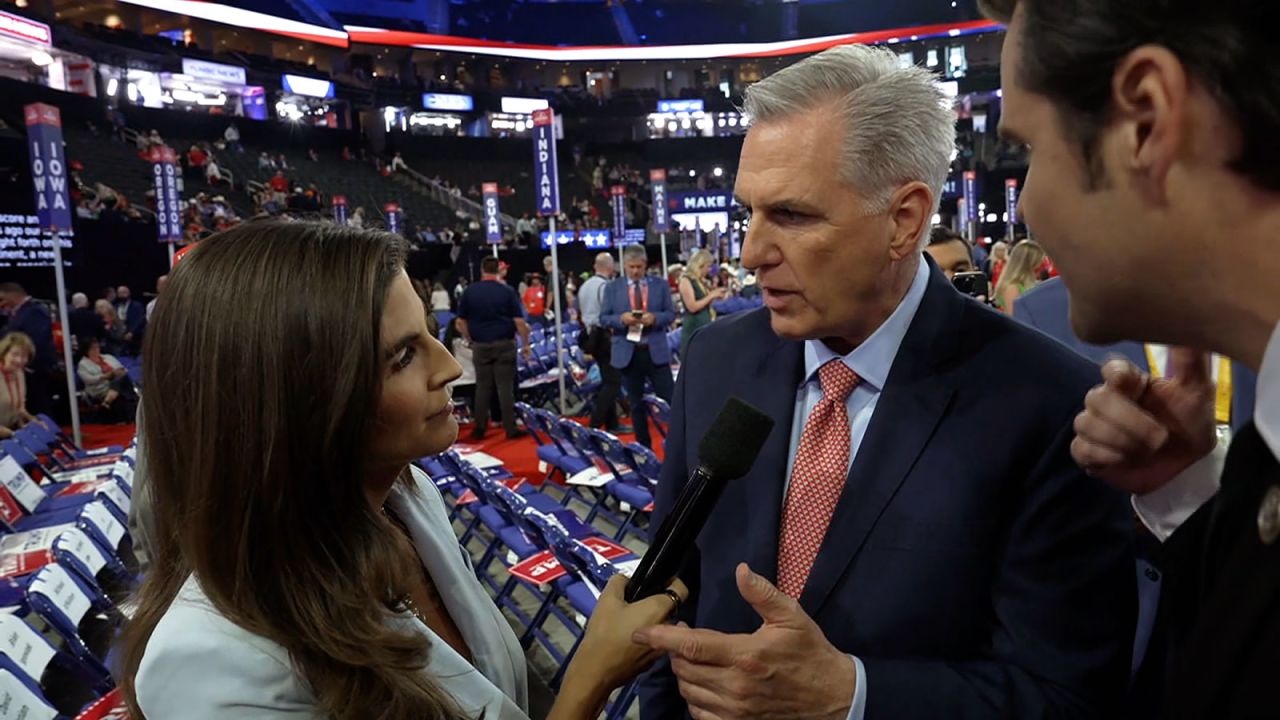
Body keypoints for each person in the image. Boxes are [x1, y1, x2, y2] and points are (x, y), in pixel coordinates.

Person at [635, 44, 1135, 720]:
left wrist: (850, 695)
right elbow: (671, 599)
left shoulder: (1048, 407)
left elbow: (1067, 696)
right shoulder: (716, 362)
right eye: (747, 212)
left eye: (791, 214)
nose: (751, 253)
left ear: (903, 220)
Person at [120, 220, 685, 720]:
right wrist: (589, 682)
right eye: (403, 356)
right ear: (301, 402)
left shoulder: (407, 498)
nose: (445, 367)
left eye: (430, 336)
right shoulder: (210, 662)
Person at [983, 0, 1280, 715]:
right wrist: (1192, 494)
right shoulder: (1254, 465)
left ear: (1145, 120)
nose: (1028, 208)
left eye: (1029, 148)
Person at [600, 244, 675, 449]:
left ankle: (677, 445)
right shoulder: (612, 287)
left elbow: (671, 314)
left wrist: (655, 318)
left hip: (655, 351)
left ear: (645, 265)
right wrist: (621, 319)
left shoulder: (660, 285)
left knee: (670, 402)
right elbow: (604, 318)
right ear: (624, 265)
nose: (635, 271)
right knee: (635, 405)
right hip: (628, 352)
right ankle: (644, 449)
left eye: (638, 267)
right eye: (631, 267)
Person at [457, 256, 531, 441]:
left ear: (482, 269)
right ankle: (510, 427)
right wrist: (526, 344)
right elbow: (519, 322)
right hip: (504, 344)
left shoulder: (470, 292)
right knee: (505, 388)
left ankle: (480, 428)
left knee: (482, 387)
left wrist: (470, 338)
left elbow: (460, 321)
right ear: (498, 269)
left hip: (481, 345)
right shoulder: (506, 292)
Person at [578, 253, 626, 433]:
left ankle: (612, 423)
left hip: (590, 335)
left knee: (608, 380)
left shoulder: (585, 286)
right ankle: (595, 424)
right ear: (610, 266)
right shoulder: (605, 286)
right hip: (603, 336)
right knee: (613, 381)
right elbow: (607, 314)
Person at [0, 283, 55, 415]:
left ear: (13, 295)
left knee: (39, 407)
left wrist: (24, 363)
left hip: (34, 371)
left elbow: (36, 342)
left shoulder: (35, 311)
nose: (1, 304)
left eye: (1, 299)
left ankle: (46, 433)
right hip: (21, 370)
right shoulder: (16, 314)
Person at [678, 249, 728, 361]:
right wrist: (711, 296)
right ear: (700, 265)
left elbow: (705, 303)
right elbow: (692, 306)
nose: (709, 270)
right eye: (708, 266)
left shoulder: (701, 281)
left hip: (705, 327)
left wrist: (716, 294)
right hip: (694, 329)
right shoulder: (686, 280)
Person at [76, 336, 136, 421]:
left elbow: (122, 368)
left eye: (97, 347)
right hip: (100, 387)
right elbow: (89, 380)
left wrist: (118, 372)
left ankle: (107, 402)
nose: (96, 350)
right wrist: (105, 376)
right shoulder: (83, 364)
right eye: (93, 348)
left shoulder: (108, 357)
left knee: (122, 378)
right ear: (86, 351)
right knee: (123, 384)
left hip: (117, 381)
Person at [992, 239, 1046, 314]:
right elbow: (1015, 319)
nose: (1042, 264)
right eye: (1039, 261)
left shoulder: (1033, 283)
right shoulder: (1011, 288)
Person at [0, 332, 36, 438]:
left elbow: (19, 409)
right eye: (15, 354)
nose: (19, 360)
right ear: (4, 353)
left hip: (10, 434)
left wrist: (32, 420)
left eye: (24, 356)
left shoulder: (19, 372)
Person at [114, 285, 147, 353]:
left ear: (129, 293)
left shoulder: (137, 305)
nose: (122, 295)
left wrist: (132, 333)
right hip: (120, 340)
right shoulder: (115, 307)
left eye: (124, 292)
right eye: (120, 293)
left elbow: (140, 320)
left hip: (135, 339)